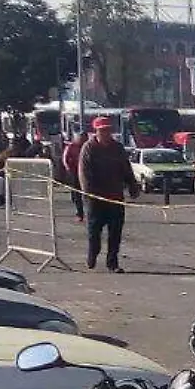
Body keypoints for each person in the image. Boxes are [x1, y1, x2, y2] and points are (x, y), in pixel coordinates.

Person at [79, 116, 139, 272]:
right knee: (94, 232)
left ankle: (112, 263)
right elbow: (84, 173)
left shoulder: (117, 148)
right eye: (102, 130)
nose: (106, 133)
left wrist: (132, 186)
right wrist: (90, 193)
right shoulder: (89, 148)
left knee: (115, 232)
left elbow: (126, 168)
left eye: (108, 130)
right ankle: (92, 255)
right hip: (96, 199)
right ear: (96, 131)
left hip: (115, 197)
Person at [60, 132, 86, 222]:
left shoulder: (87, 147)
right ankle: (80, 213)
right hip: (74, 172)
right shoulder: (71, 147)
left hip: (85, 172)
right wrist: (69, 169)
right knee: (76, 193)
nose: (82, 140)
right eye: (81, 138)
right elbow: (65, 159)